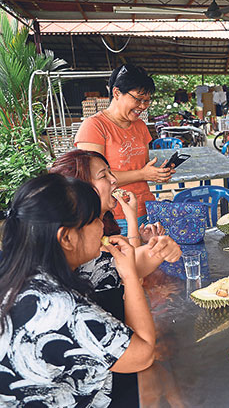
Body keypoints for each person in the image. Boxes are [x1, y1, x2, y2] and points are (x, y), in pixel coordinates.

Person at [0, 174, 155, 406]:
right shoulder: (59, 307)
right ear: (66, 238)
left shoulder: (15, 272)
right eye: (94, 219)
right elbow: (143, 355)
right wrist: (130, 275)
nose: (102, 225)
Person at [49, 150, 181, 406]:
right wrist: (134, 274)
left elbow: (122, 262)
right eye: (103, 175)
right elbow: (141, 354)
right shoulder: (62, 294)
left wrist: (158, 250)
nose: (114, 180)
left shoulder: (91, 237)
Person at [75, 64, 175, 235]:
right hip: (114, 215)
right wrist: (143, 174)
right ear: (116, 93)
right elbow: (91, 180)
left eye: (147, 101)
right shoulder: (94, 126)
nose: (143, 106)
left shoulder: (140, 126)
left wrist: (156, 173)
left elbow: (140, 167)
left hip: (144, 209)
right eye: (138, 99)